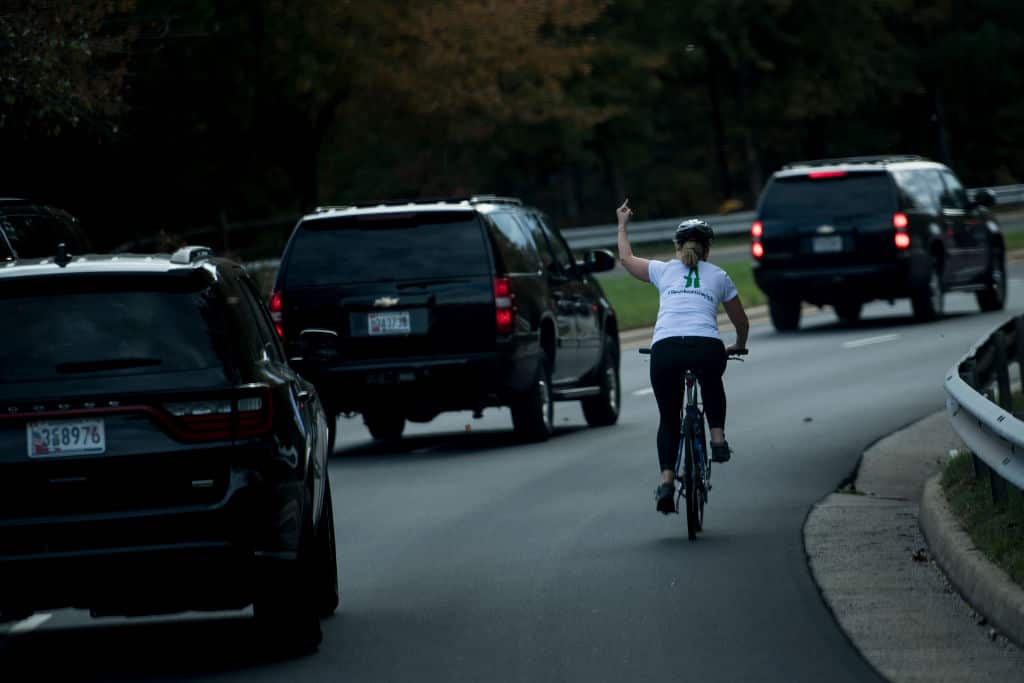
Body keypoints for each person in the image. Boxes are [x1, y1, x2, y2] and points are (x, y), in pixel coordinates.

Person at [616, 198, 749, 514]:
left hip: (666, 349)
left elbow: (626, 259)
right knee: (712, 380)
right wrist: (739, 343)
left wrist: (622, 225)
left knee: (668, 418)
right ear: (708, 249)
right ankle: (717, 439)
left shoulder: (663, 270)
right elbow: (740, 320)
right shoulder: (719, 275)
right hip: (706, 347)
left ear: (677, 246)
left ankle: (665, 481)